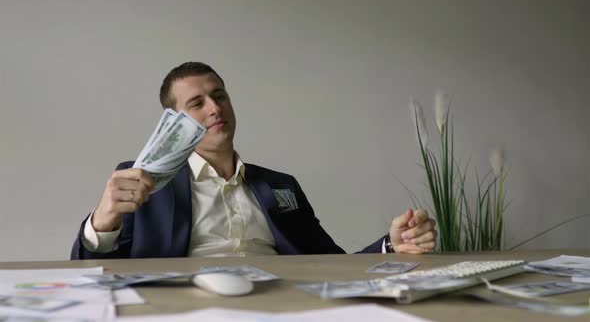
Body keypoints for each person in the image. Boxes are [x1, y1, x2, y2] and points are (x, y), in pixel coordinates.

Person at [70, 62, 437, 259]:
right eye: (197, 104)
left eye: (220, 96)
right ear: (173, 122)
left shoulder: (280, 185)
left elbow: (330, 262)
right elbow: (97, 274)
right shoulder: (139, 181)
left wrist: (392, 244)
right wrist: (102, 221)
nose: (215, 108)